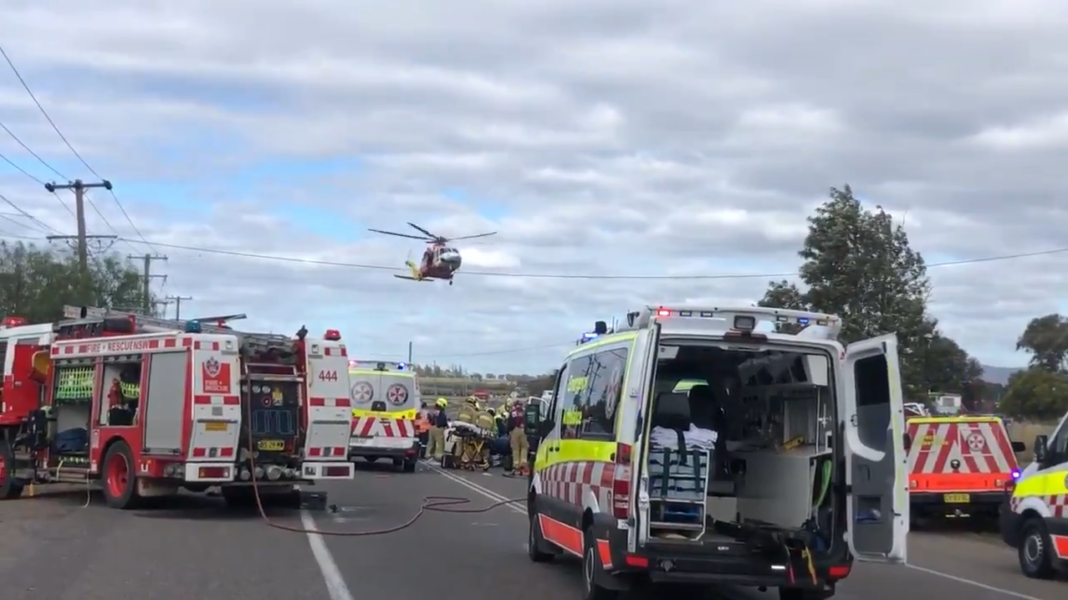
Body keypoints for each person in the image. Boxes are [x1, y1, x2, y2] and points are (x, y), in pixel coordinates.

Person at [506, 399, 530, 476]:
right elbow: (527, 422)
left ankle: (516, 465)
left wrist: (508, 432)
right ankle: (523, 464)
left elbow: (509, 423)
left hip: (515, 430)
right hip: (523, 431)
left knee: (515, 449)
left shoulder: (513, 412)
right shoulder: (524, 412)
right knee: (524, 448)